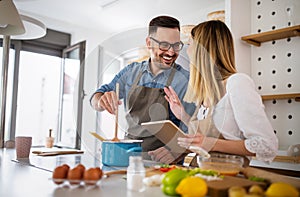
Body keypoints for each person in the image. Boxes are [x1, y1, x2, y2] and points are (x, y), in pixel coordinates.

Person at [164, 20, 278, 163]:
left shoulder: (237, 83)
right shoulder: (206, 94)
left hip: (231, 178)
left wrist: (212, 144)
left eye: (190, 43)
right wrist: (183, 116)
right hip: (205, 175)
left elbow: (267, 145)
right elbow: (203, 138)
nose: (187, 50)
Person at [90, 15, 195, 164]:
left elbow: (192, 128)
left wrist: (175, 151)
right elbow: (95, 98)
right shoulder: (130, 72)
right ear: (149, 43)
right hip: (127, 160)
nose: (171, 53)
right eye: (164, 45)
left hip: (164, 164)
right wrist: (101, 101)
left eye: (176, 45)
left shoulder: (185, 81)